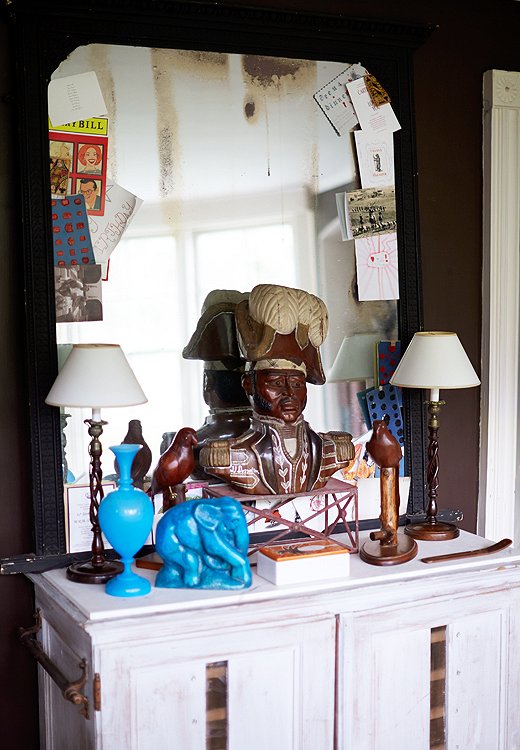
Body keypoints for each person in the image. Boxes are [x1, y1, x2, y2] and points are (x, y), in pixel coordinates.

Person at [199, 284, 354, 495]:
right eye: (276, 383)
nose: (290, 393)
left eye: (298, 384)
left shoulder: (331, 451)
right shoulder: (228, 456)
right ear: (248, 384)